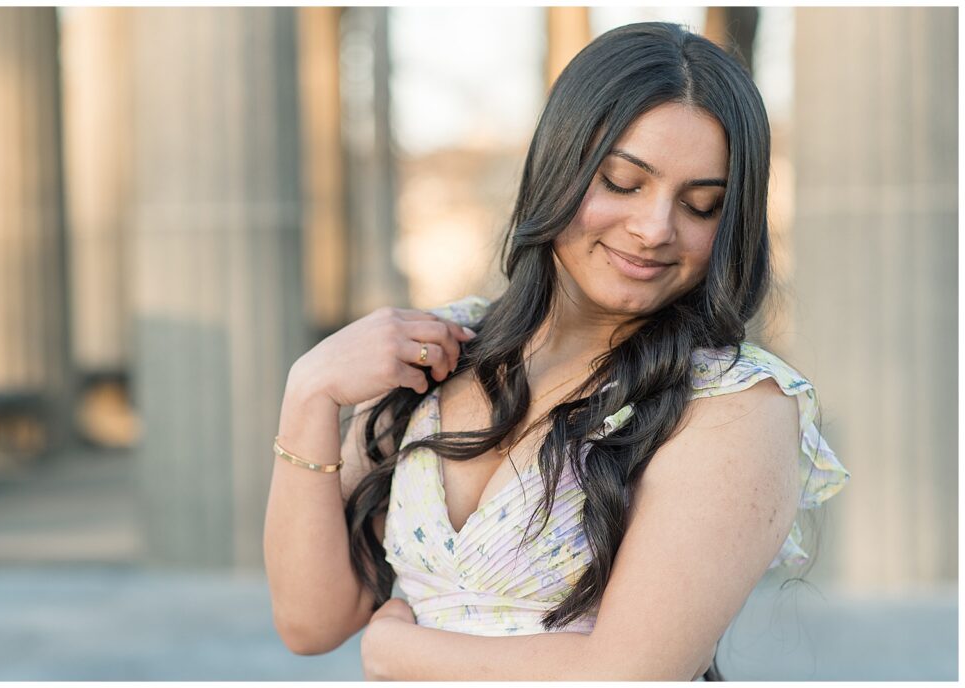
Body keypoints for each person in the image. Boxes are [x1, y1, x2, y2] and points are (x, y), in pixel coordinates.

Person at [264, 21, 851, 680]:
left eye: (702, 205)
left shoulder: (733, 405)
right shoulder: (436, 348)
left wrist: (401, 652)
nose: (655, 228)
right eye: (624, 183)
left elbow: (628, 674)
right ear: (559, 164)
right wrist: (309, 393)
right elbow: (311, 622)